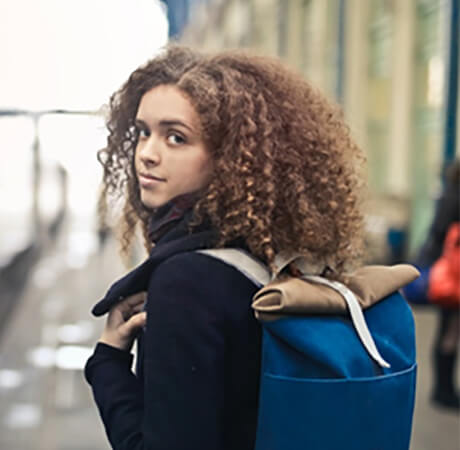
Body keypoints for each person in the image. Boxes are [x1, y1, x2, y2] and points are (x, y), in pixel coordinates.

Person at [84, 46, 366, 449]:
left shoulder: (186, 282)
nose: (146, 153)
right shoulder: (264, 253)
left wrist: (108, 361)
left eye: (176, 137)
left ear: (229, 157)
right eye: (143, 131)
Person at [417, 159, 460, 410]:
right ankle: (443, 390)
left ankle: (443, 388)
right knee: (450, 331)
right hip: (453, 274)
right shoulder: (454, 198)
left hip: (449, 271)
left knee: (448, 329)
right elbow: (442, 231)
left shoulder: (448, 194)